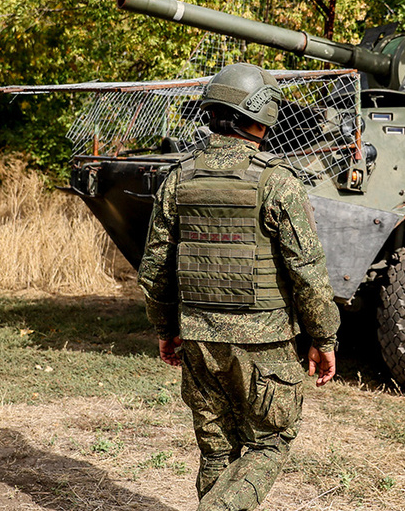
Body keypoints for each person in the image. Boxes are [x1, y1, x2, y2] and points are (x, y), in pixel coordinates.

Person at [138, 63, 340, 510]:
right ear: (259, 113)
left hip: (198, 339)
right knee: (271, 443)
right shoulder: (277, 182)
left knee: (217, 451)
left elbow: (154, 272)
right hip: (264, 343)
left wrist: (165, 328)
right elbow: (308, 274)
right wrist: (324, 338)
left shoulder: (178, 179)